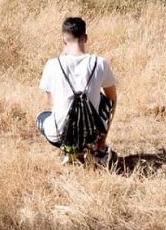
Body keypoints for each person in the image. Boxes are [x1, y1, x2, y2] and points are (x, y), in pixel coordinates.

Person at [36, 17, 117, 165]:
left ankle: (70, 149)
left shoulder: (52, 64)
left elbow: (50, 101)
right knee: (105, 100)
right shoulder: (100, 63)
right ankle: (96, 148)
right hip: (91, 135)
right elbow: (112, 99)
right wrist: (103, 138)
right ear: (85, 38)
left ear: (63, 41)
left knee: (41, 116)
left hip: (59, 134)